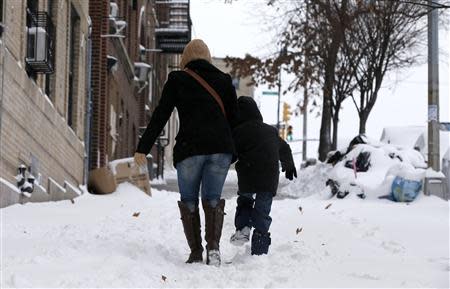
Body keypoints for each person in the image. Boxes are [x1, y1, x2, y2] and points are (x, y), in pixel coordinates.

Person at [134, 39, 238, 266]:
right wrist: (235, 152)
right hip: (220, 150)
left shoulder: (178, 79)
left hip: (190, 149)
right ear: (208, 57)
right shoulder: (224, 81)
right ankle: (213, 249)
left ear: (185, 59)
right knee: (212, 199)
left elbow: (161, 114)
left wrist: (143, 148)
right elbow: (234, 119)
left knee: (189, 200)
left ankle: (195, 252)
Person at [230, 96, 297, 255]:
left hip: (248, 173)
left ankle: (243, 228)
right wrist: (289, 165)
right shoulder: (270, 131)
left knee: (245, 201)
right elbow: (284, 148)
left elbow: (231, 153)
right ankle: (259, 248)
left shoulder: (238, 132)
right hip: (268, 176)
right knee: (262, 209)